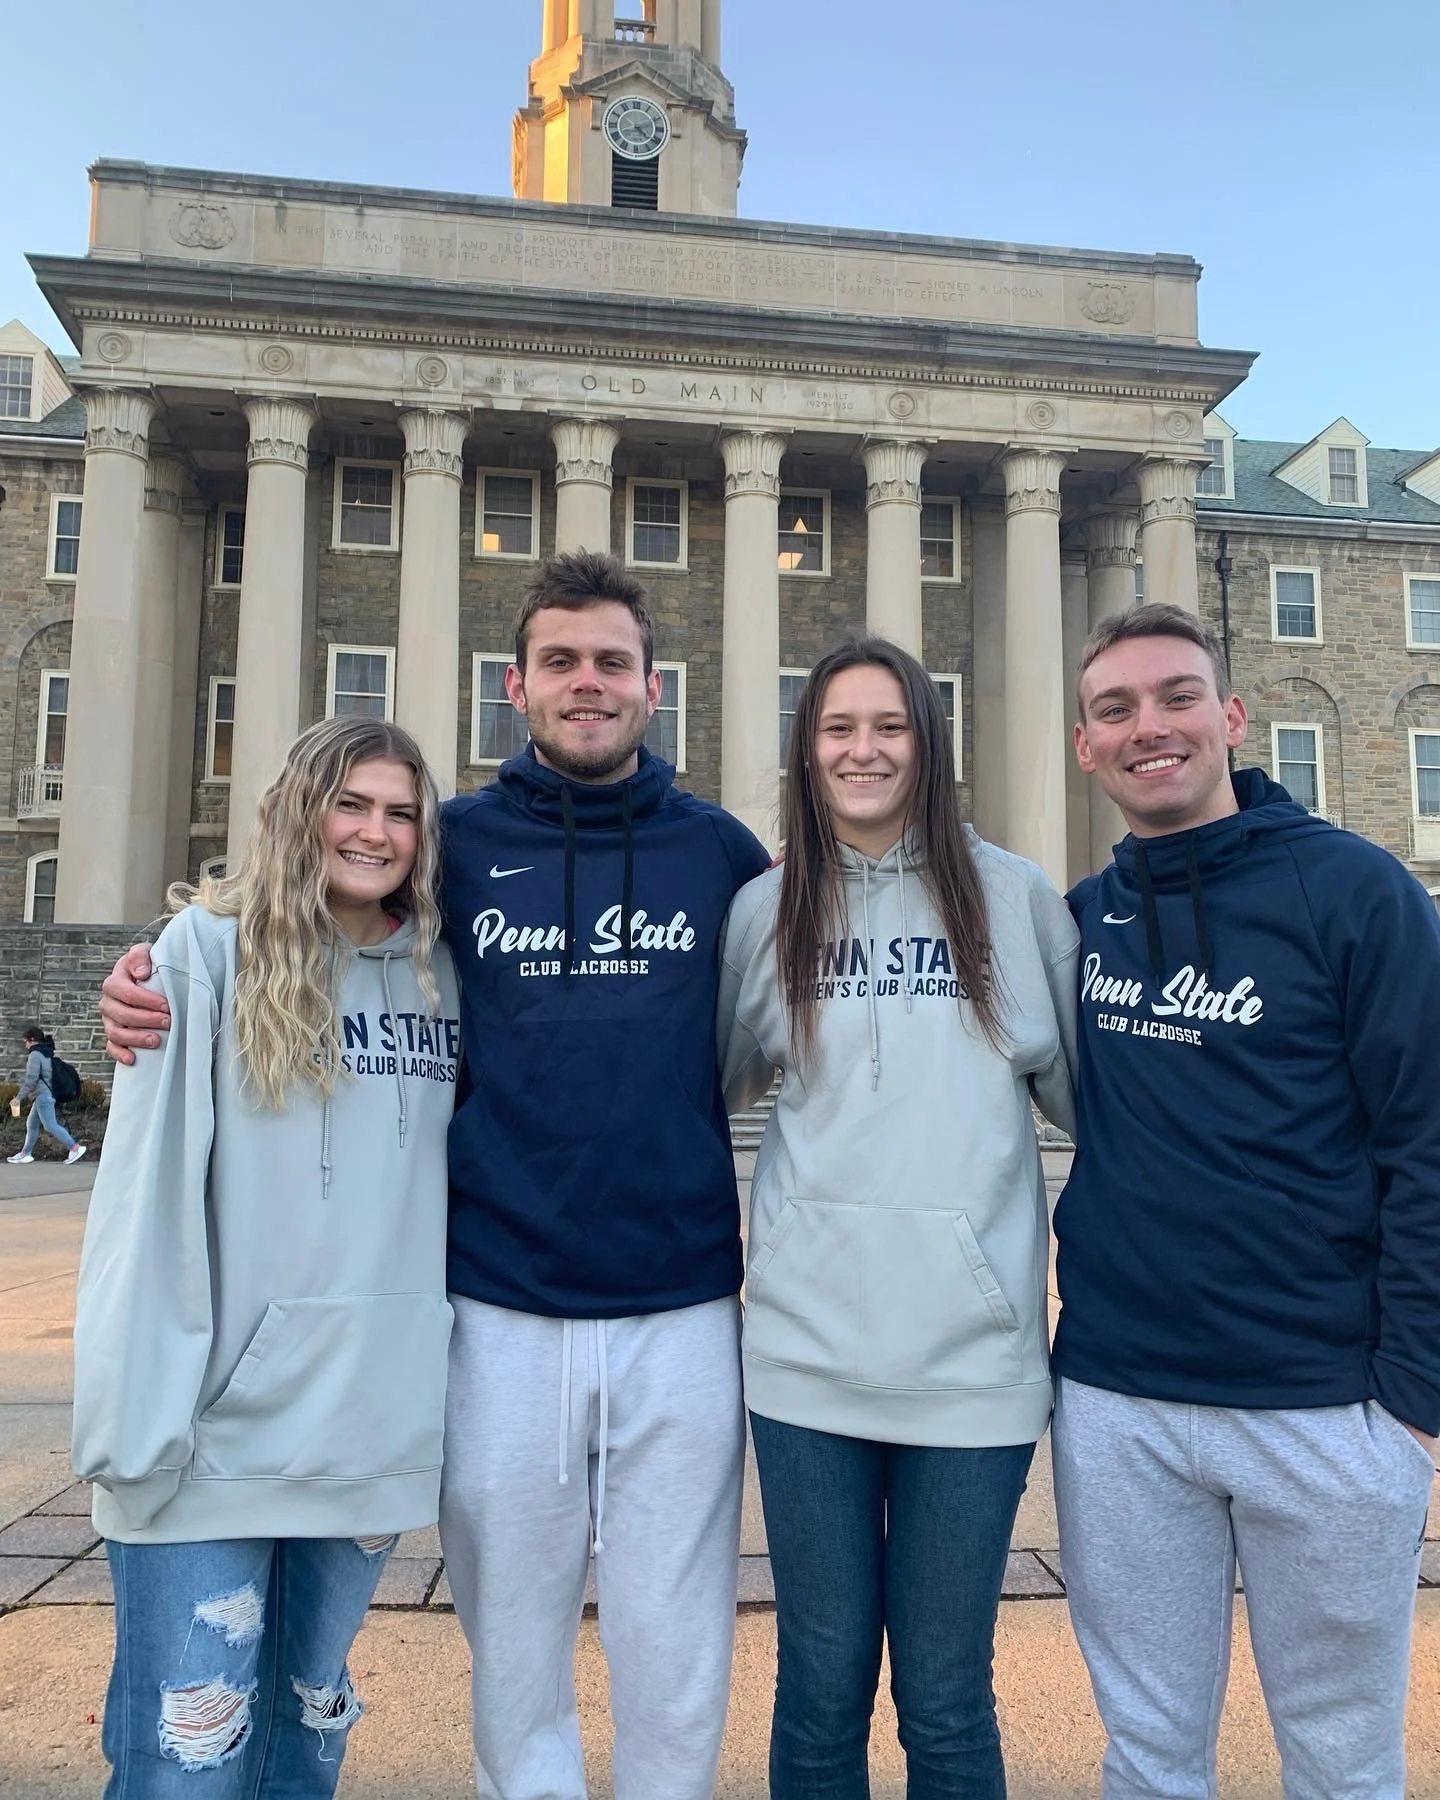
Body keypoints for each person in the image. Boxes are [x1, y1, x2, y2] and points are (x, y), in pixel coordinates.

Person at [100, 550, 772, 1800]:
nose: (588, 684)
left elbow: (752, 1040)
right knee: (512, 1642)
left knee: (673, 1639)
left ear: (653, 686)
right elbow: (303, 921)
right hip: (497, 1306)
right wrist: (155, 973)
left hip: (679, 1302)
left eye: (611, 663)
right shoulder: (449, 845)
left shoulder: (721, 856)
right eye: (561, 662)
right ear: (516, 685)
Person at [1055, 601, 1440, 1800]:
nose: (1147, 727)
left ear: (1229, 717)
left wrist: (1411, 1410)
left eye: (1175, 698)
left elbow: (1427, 1141)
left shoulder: (1358, 894)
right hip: (1121, 1406)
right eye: (1115, 708)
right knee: (1152, 1755)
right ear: (1085, 746)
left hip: (1321, 1413)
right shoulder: (1088, 917)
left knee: (1338, 1757)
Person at [718, 637, 1079, 1799]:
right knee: (818, 1688)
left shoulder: (1018, 900)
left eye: (890, 725)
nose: (863, 750)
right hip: (805, 1360)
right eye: (837, 729)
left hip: (971, 1369)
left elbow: (1106, 1110)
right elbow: (694, 1090)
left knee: (946, 1693)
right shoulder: (767, 911)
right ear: (806, 751)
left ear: (930, 741)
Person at [74, 715, 460, 1797]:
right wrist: (132, 1419)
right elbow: (142, 1205)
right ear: (301, 810)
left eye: (400, 813)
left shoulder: (446, 976)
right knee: (188, 1760)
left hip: (364, 1438)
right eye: (352, 803)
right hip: (207, 1443)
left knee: (307, 1744)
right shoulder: (199, 956)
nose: (375, 833)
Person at [7, 1025, 86, 1164]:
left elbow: (31, 1079)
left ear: (32, 1040)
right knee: (31, 1124)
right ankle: (26, 1153)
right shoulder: (45, 1053)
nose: (25, 1045)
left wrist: (18, 1098)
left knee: (50, 1125)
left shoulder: (35, 1055)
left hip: (43, 1096)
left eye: (25, 1041)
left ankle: (75, 1148)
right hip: (43, 1096)